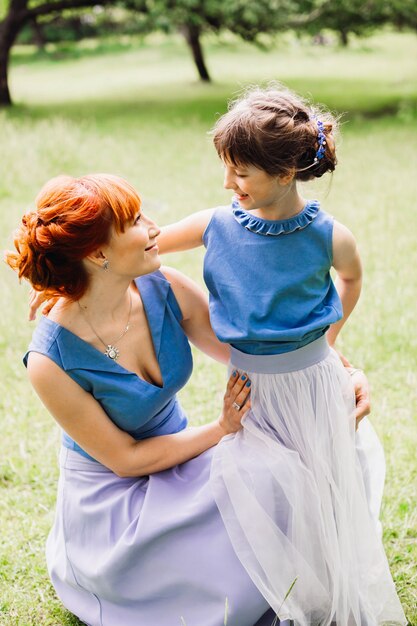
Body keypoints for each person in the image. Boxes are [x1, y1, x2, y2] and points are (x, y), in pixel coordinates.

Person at [148, 86, 407, 626]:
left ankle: (324, 591)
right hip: (250, 388)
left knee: (321, 485)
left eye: (240, 173)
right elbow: (144, 249)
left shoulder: (328, 235)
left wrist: (329, 340)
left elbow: (352, 278)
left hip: (312, 382)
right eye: (226, 170)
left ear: (286, 172)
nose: (227, 184)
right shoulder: (213, 225)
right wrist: (63, 270)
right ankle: (259, 591)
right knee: (256, 486)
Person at [6, 174, 279, 626]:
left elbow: (248, 352)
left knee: (275, 474)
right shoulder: (49, 360)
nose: (154, 227)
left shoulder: (162, 286)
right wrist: (220, 429)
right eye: (135, 220)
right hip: (114, 500)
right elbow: (126, 459)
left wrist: (334, 370)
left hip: (182, 456)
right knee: (209, 576)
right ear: (96, 254)